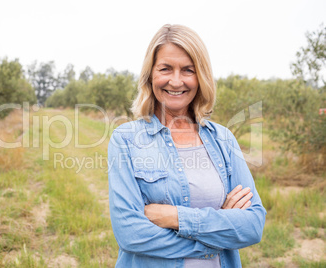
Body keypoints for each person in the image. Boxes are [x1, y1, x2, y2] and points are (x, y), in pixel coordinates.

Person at [108, 24, 266, 268]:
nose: (176, 80)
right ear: (150, 75)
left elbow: (253, 225)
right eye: (165, 69)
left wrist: (175, 217)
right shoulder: (126, 140)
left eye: (188, 70)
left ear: (200, 77)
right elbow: (131, 234)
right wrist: (219, 231)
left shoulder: (223, 140)